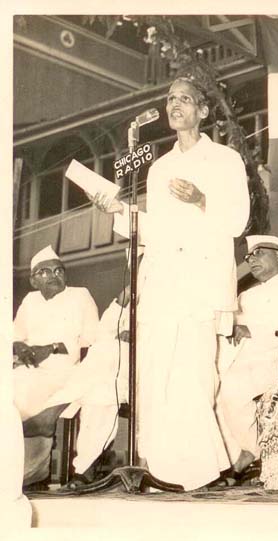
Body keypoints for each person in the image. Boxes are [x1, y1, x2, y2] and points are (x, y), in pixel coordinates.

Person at [89, 73, 250, 490]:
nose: (174, 105)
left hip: (200, 279)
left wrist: (201, 200)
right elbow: (153, 229)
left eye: (184, 99)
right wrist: (116, 210)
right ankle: (165, 468)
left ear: (203, 110)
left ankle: (200, 472)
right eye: (170, 99)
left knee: (195, 373)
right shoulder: (160, 167)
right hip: (163, 279)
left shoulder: (226, 160)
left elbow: (238, 222)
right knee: (159, 372)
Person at [217, 235, 278, 482]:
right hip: (245, 359)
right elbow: (231, 327)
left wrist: (253, 330)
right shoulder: (246, 296)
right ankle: (237, 457)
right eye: (249, 256)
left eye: (260, 253)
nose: (252, 260)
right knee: (213, 388)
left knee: (231, 388)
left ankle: (253, 451)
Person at [41, 249, 143, 489]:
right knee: (101, 389)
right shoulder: (127, 298)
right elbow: (102, 331)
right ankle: (84, 467)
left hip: (154, 366)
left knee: (106, 355)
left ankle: (62, 403)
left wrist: (137, 337)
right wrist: (121, 303)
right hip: (116, 371)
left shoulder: (172, 292)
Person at [13, 245, 99, 488]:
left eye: (59, 270)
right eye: (45, 272)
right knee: (14, 388)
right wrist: (20, 347)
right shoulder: (30, 300)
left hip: (67, 369)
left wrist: (51, 348)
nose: (54, 276)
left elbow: (91, 339)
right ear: (33, 280)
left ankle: (33, 472)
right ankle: (26, 471)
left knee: (26, 391)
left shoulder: (80, 295)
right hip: (29, 367)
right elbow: (15, 334)